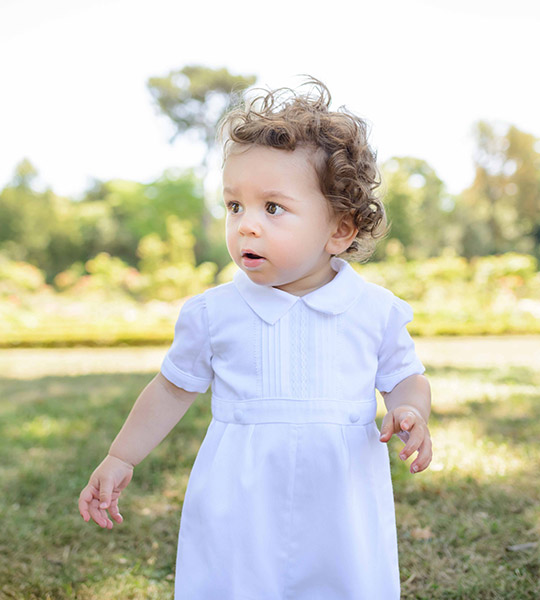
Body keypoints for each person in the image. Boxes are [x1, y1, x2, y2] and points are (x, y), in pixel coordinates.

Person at [78, 78, 433, 599]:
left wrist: (410, 412)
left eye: (272, 208)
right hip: (239, 496)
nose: (245, 225)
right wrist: (121, 456)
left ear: (340, 229)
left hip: (341, 498)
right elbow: (173, 389)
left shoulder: (373, 310)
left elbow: (404, 376)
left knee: (340, 582)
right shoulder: (214, 312)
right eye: (234, 206)